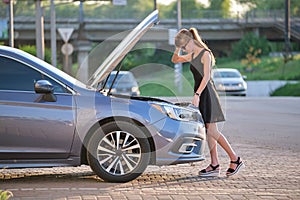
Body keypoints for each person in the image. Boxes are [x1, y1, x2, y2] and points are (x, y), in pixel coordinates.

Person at [171, 28, 244, 177]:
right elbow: (175, 60)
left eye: (185, 46)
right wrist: (178, 46)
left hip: (207, 94)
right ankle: (215, 164)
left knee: (212, 131)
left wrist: (197, 94)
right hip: (200, 94)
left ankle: (235, 159)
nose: (184, 50)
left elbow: (206, 77)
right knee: (209, 131)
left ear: (191, 41)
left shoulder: (206, 54)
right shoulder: (192, 55)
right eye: (182, 48)